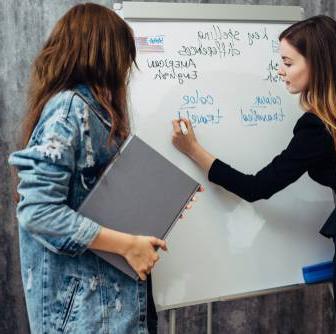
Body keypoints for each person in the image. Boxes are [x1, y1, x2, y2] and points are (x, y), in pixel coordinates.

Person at [171, 15, 336, 334]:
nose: (279, 70)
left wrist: (193, 149)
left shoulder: (319, 126)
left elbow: (258, 187)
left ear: (318, 64)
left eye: (287, 62)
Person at [9, 3, 199, 333]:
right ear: (106, 55)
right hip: (86, 315)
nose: (127, 69)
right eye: (124, 57)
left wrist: (156, 210)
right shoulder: (70, 110)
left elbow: (94, 201)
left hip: (110, 307)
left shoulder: (95, 112)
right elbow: (38, 211)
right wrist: (128, 245)